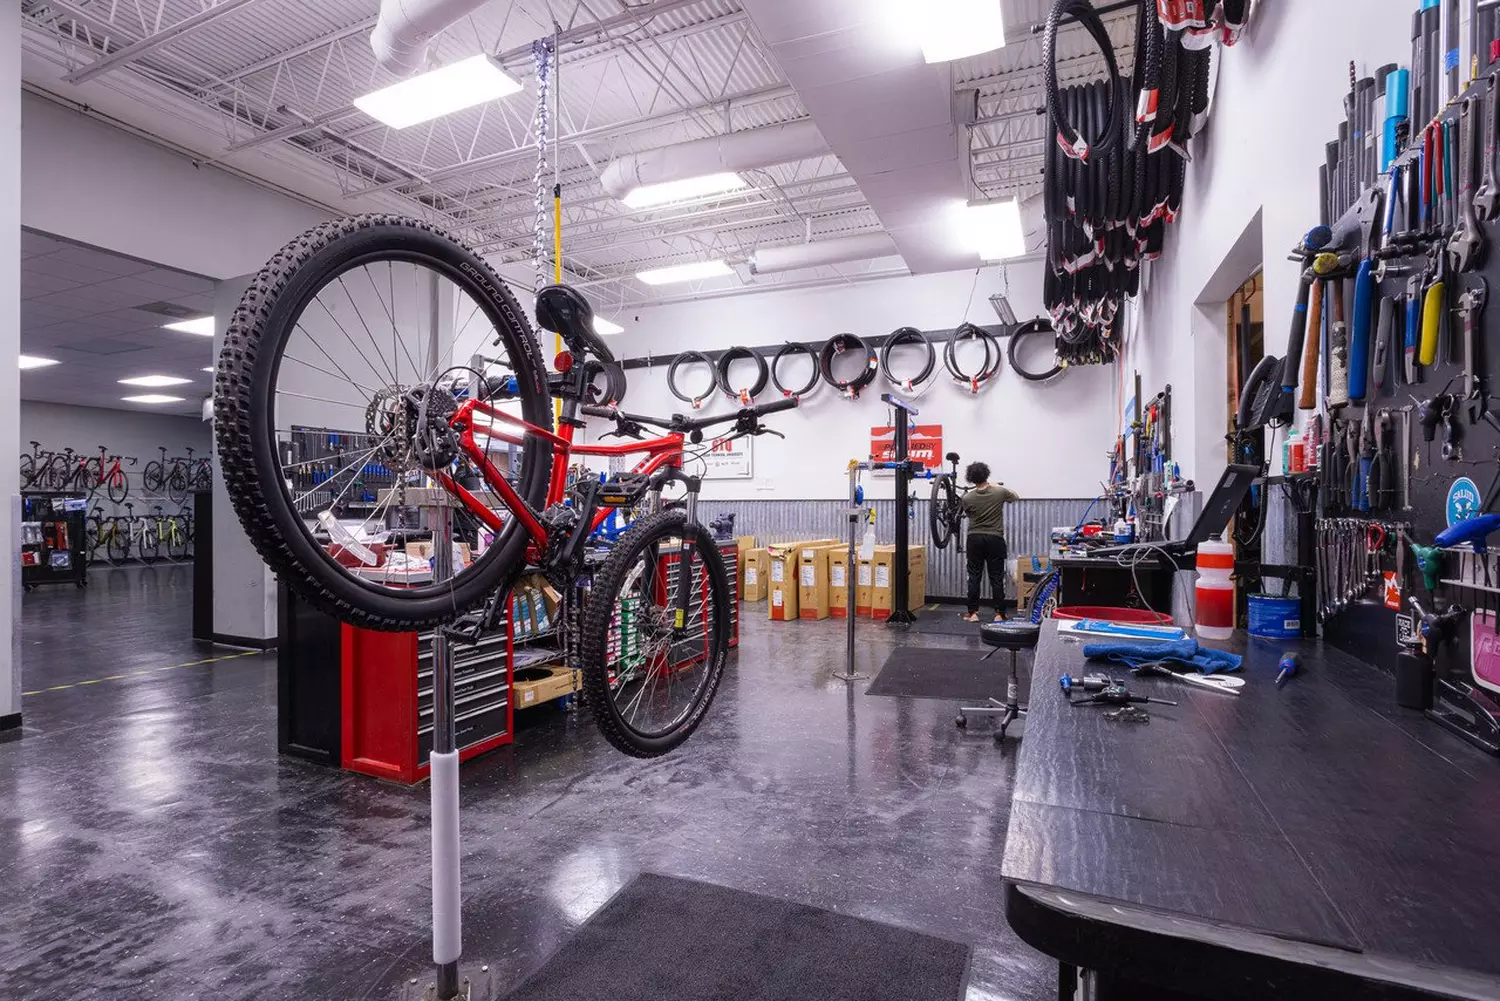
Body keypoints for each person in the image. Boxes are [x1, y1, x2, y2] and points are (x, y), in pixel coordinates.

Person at [959, 461, 1019, 622]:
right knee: (996, 577)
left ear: (970, 478)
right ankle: (1000, 614)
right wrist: (995, 485)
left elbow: (968, 513)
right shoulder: (999, 492)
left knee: (974, 576)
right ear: (987, 474)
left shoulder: (967, 497)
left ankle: (972, 613)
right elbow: (1015, 496)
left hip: (974, 538)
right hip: (995, 539)